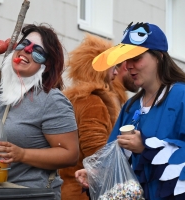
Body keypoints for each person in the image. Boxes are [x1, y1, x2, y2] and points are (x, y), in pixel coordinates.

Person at [75, 22, 185, 200]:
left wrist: (146, 147)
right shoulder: (131, 106)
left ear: (159, 57)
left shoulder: (181, 96)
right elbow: (114, 155)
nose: (128, 66)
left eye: (136, 58)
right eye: (126, 60)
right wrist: (96, 174)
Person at [0, 23, 79, 200]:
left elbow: (70, 154)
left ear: (48, 64)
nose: (26, 50)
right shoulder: (2, 93)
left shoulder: (52, 100)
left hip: (28, 195)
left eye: (37, 50)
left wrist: (22, 154)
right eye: (24, 44)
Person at [58, 33, 120, 200]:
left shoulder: (72, 100)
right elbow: (98, 155)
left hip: (65, 188)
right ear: (98, 69)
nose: (116, 73)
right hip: (83, 192)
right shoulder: (92, 102)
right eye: (112, 67)